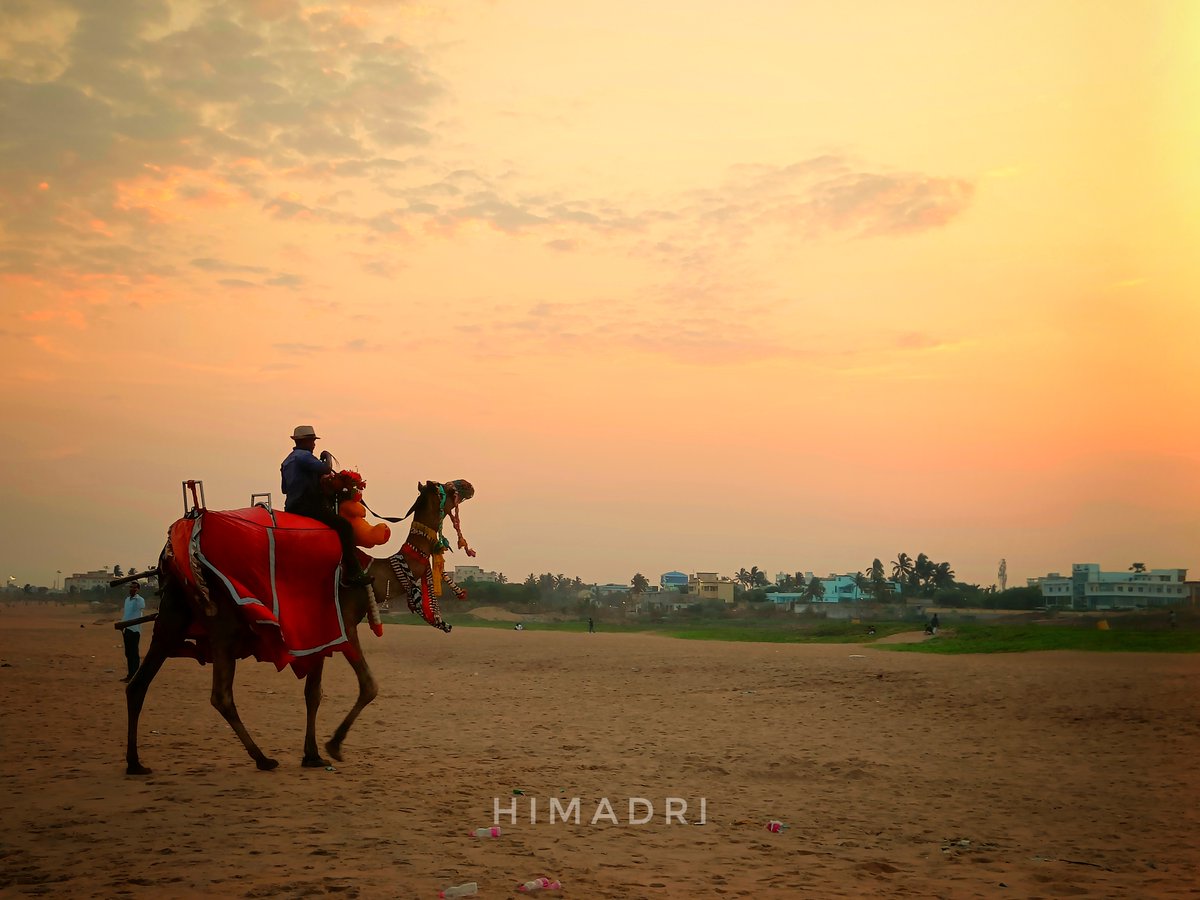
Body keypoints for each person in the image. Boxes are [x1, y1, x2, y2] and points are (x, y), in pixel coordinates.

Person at [280, 425, 372, 586]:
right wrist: (327, 456)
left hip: (291, 506)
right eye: (312, 441)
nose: (314, 445)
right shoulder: (304, 457)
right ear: (306, 441)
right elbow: (326, 468)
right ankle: (353, 572)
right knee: (344, 527)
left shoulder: (287, 461)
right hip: (308, 506)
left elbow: (284, 489)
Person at [121, 582, 146, 682]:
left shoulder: (139, 600)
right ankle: (130, 674)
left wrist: (136, 596)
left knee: (134, 653)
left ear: (138, 589)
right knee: (128, 653)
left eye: (134, 588)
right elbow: (127, 613)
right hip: (126, 629)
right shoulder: (127, 600)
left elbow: (141, 607)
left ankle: (135, 676)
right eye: (131, 587)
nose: (132, 589)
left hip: (134, 630)